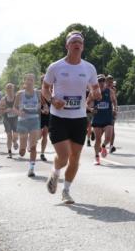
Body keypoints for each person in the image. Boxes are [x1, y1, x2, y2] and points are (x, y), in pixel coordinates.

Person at [42, 31, 101, 204]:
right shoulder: (55, 67)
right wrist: (52, 99)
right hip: (59, 117)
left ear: (82, 47)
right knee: (64, 156)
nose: (77, 44)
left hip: (79, 118)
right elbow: (45, 88)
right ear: (67, 45)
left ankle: (66, 191)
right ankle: (55, 171)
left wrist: (96, 93)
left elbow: (95, 88)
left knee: (75, 157)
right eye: (74, 41)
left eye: (80, 42)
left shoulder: (89, 68)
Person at [15, 73, 42, 177]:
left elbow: (42, 105)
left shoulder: (38, 93)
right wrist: (19, 113)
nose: (30, 82)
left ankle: (31, 169)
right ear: (24, 82)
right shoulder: (20, 94)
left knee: (33, 147)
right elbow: (14, 108)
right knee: (22, 152)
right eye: (28, 80)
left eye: (31, 80)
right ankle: (23, 146)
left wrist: (43, 108)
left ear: (34, 82)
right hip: (22, 121)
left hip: (34, 120)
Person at [90, 75, 117, 164]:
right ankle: (97, 157)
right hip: (97, 119)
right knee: (98, 139)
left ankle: (103, 146)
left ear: (105, 82)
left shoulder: (110, 91)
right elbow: (86, 103)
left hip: (107, 117)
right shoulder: (93, 92)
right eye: (99, 81)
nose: (101, 83)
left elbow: (114, 101)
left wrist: (114, 109)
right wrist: (91, 109)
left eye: (103, 81)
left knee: (108, 137)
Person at [0, 83, 19, 158]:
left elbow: (21, 108)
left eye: (11, 88)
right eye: (8, 88)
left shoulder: (17, 98)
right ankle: (9, 152)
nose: (9, 89)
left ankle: (15, 142)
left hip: (15, 118)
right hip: (7, 119)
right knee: (9, 136)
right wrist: (6, 110)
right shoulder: (3, 99)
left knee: (15, 135)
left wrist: (16, 110)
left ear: (13, 89)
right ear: (6, 90)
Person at [38, 92, 50, 162]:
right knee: (39, 136)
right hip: (39, 116)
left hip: (48, 116)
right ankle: (31, 141)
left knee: (45, 135)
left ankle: (42, 153)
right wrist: (42, 111)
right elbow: (34, 105)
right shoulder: (38, 94)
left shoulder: (53, 93)